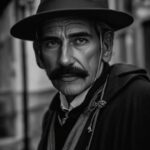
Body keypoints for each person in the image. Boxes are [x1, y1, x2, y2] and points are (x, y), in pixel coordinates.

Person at [10, 0, 150, 150]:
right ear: (38, 55)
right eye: (52, 43)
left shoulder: (141, 100)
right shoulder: (52, 115)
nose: (64, 60)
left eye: (80, 40)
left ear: (106, 46)